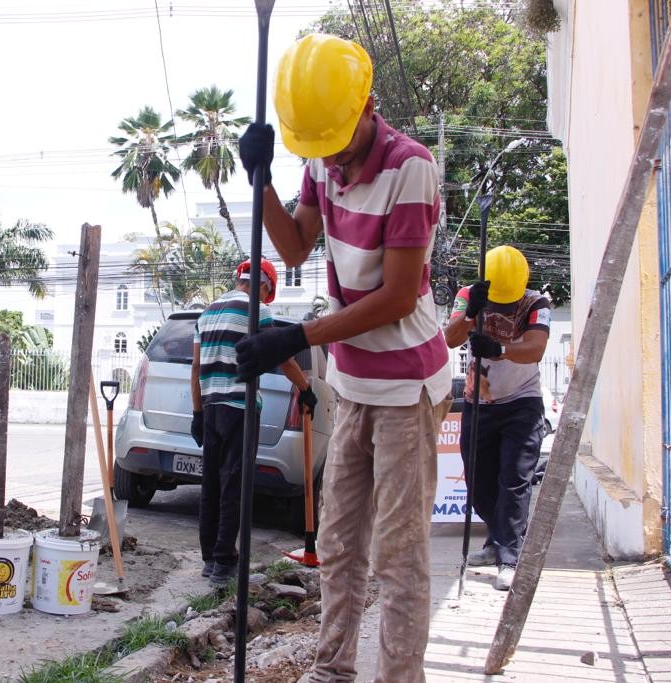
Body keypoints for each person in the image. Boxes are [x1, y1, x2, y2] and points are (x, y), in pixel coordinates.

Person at [235, 34, 452, 682]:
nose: (330, 156)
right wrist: (262, 180)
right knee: (337, 542)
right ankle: (333, 670)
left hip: (408, 386)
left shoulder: (411, 168)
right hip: (355, 383)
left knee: (398, 554)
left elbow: (394, 297)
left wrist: (300, 336)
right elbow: (296, 246)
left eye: (338, 140)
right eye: (318, 146)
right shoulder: (323, 161)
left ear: (369, 107)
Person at [191, 258, 317, 586]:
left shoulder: (206, 313)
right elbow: (280, 356)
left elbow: (195, 368)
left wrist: (198, 413)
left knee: (212, 484)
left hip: (212, 406)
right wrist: (305, 388)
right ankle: (223, 562)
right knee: (235, 482)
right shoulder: (256, 310)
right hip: (240, 407)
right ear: (265, 285)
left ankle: (209, 558)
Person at [444, 245, 551, 592]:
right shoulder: (468, 296)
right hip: (479, 403)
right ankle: (496, 541)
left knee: (515, 480)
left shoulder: (536, 303)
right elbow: (450, 338)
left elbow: (536, 347)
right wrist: (471, 313)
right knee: (479, 481)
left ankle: (510, 556)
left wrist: (500, 349)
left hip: (522, 403)